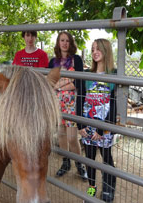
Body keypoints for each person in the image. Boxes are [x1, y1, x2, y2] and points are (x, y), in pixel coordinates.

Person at [79, 39, 117, 203]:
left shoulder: (114, 74)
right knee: (89, 157)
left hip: (104, 126)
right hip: (88, 125)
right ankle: (92, 188)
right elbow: (80, 99)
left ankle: (108, 188)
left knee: (106, 157)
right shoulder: (87, 75)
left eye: (98, 49)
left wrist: (102, 129)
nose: (94, 52)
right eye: (93, 49)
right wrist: (80, 125)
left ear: (106, 50)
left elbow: (115, 103)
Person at [49, 31, 87, 181]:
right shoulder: (53, 62)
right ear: (58, 43)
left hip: (72, 103)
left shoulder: (76, 60)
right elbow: (50, 83)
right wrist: (66, 82)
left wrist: (60, 85)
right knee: (61, 135)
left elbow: (79, 82)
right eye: (62, 40)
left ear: (71, 43)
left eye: (67, 41)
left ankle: (80, 165)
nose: (64, 43)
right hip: (57, 104)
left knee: (72, 138)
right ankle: (66, 163)